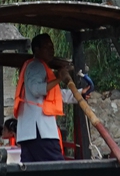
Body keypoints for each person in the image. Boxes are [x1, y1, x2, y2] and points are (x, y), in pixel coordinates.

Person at [13, 34, 78, 162]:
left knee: (33, 173)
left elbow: (56, 94)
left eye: (51, 46)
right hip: (40, 131)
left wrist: (79, 94)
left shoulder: (35, 67)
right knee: (56, 168)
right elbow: (37, 90)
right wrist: (60, 78)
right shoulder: (37, 66)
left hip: (29, 132)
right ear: (36, 50)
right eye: (47, 47)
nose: (51, 49)